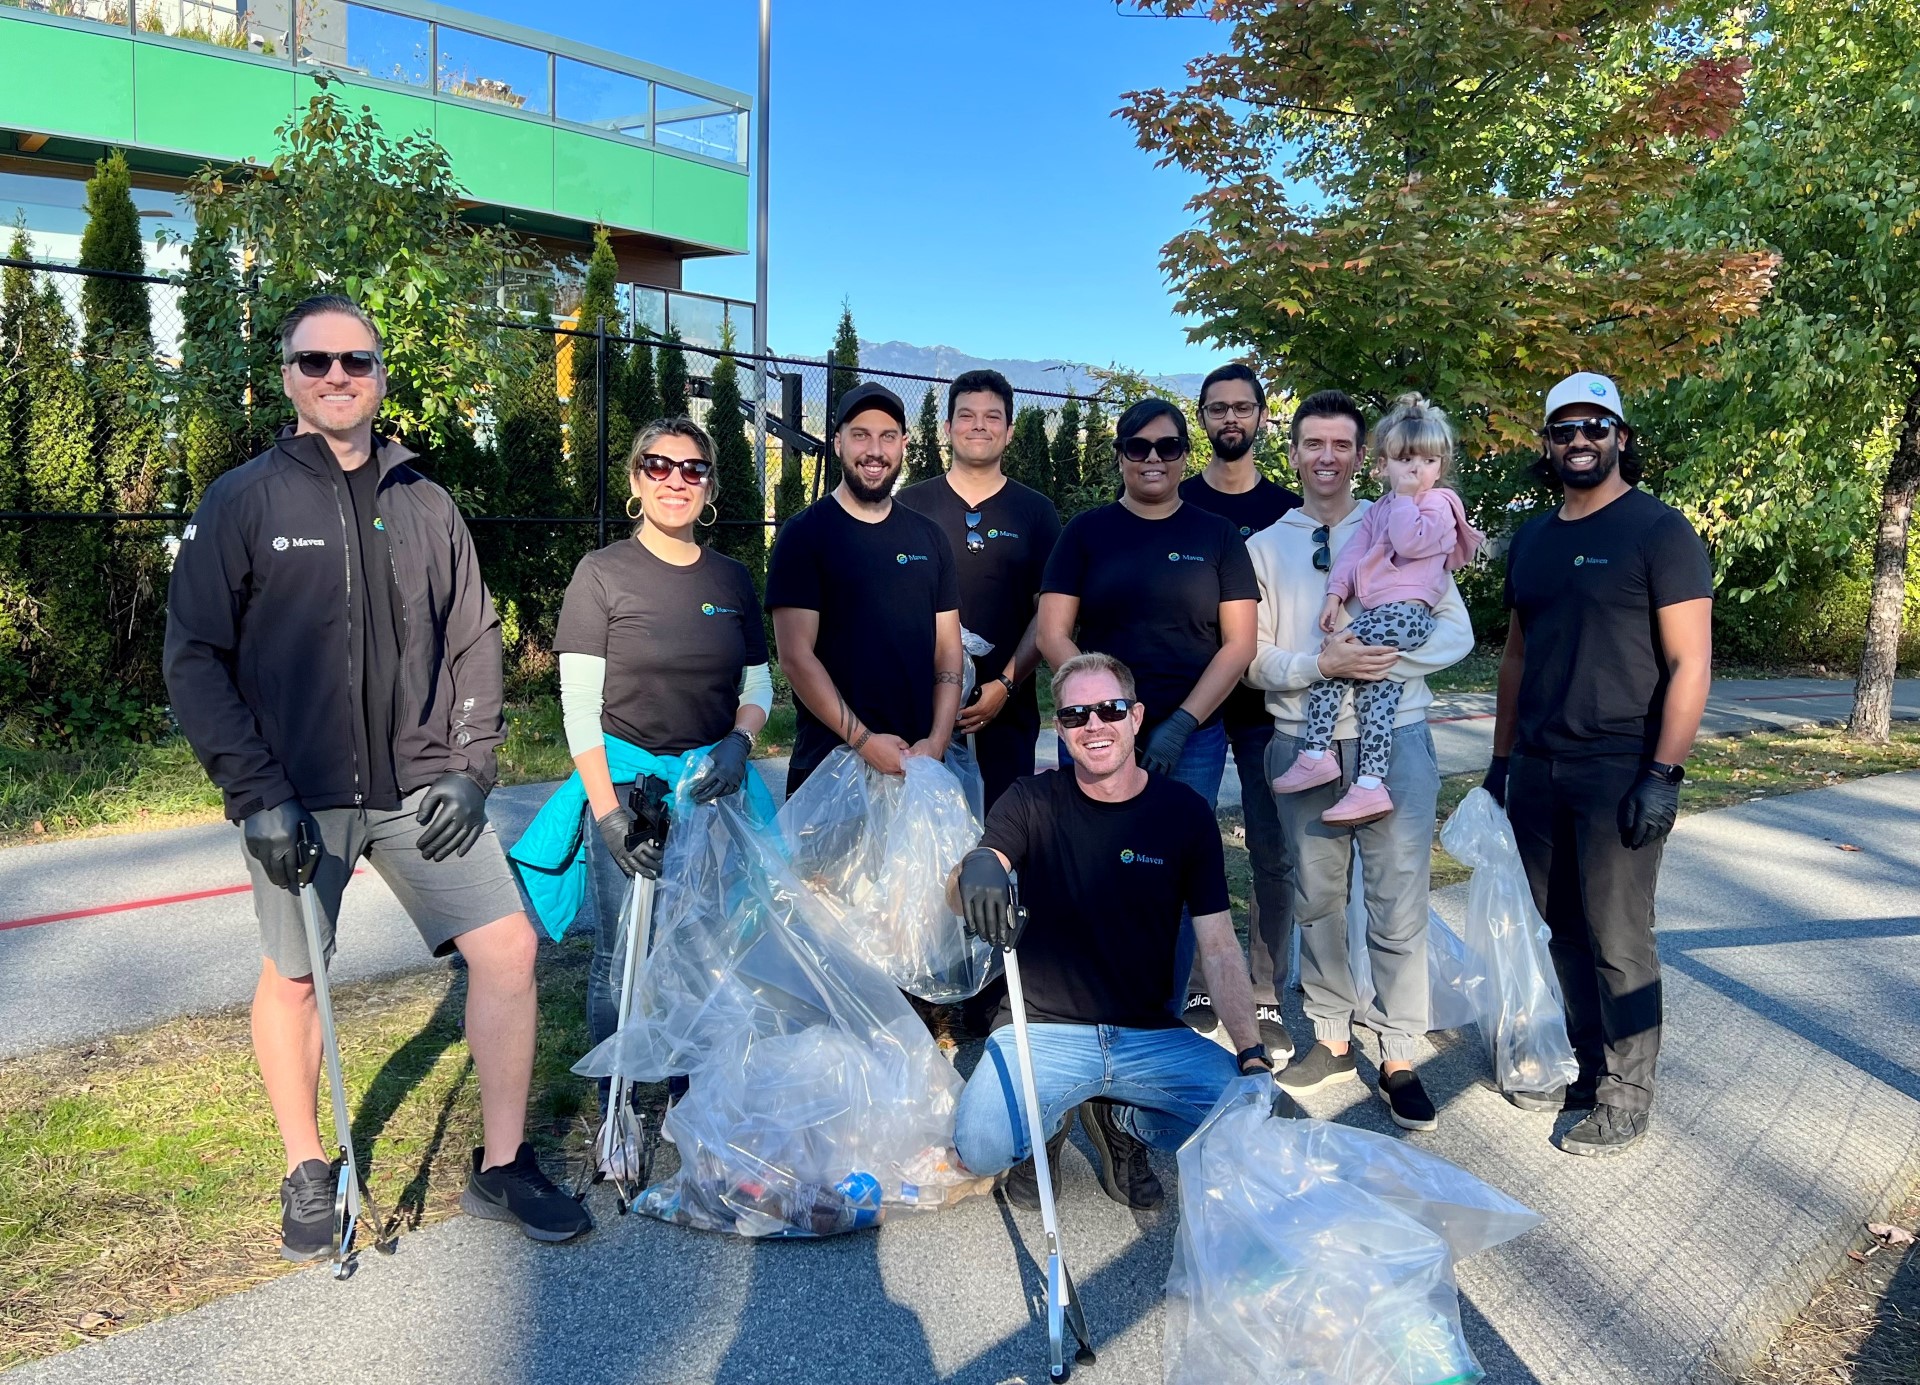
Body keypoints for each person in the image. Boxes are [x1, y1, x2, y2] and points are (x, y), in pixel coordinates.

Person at [163, 294, 590, 1258]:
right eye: (315, 362)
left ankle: (505, 1162)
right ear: (288, 377)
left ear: (381, 374)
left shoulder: (427, 503)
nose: (336, 377)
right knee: (296, 976)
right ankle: (309, 1168)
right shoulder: (245, 499)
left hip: (421, 790)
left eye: (354, 360)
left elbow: (477, 636)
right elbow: (192, 656)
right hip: (294, 794)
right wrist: (255, 792)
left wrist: (474, 770)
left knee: (510, 950)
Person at [506, 417, 775, 1107]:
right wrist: (607, 814)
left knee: (697, 949)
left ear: (710, 486)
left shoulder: (732, 579)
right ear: (636, 478)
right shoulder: (602, 575)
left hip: (710, 789)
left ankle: (689, 1094)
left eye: (692, 469)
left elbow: (757, 688)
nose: (675, 480)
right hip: (629, 789)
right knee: (622, 952)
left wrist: (739, 744)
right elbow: (579, 710)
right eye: (658, 466)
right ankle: (616, 1103)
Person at [948, 653, 1274, 1211]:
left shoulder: (1185, 813)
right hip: (1042, 1030)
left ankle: (1122, 1115)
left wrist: (1250, 1051)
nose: (1094, 725)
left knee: (1254, 1118)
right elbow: (975, 873)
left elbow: (1218, 946)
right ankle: (1045, 1122)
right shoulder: (1031, 799)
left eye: (1109, 710)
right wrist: (973, 873)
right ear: (1061, 728)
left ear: (1137, 717)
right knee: (978, 1149)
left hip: (1148, 1032)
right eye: (1076, 715)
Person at [1487, 371, 1713, 1156]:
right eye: (1564, 429)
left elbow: (1691, 663)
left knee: (1620, 936)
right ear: (1546, 444)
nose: (1579, 440)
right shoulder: (1533, 540)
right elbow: (1515, 657)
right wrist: (1499, 761)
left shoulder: (1660, 532)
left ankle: (1629, 1091)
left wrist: (1665, 773)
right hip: (1540, 767)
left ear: (1621, 436)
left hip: (1621, 764)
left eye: (1595, 426)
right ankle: (1590, 1069)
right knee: (1565, 933)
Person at [1245, 390, 1473, 1132]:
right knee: (1315, 898)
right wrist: (1321, 660)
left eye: (1341, 444)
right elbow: (1251, 655)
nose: (1327, 456)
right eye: (1314, 443)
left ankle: (1399, 1048)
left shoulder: (1412, 523)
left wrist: (1382, 660)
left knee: (1396, 899)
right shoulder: (1265, 546)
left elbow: (1454, 632)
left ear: (1360, 455)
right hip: (1302, 740)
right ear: (1296, 452)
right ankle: (1334, 1035)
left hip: (1396, 738)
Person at [1036, 397, 1259, 1010]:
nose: (1153, 459)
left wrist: (1181, 723)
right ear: (1120, 457)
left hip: (1191, 740)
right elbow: (1052, 632)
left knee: (1174, 872)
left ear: (1186, 454)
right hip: (1095, 732)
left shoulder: (1215, 536)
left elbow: (1239, 644)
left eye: (1167, 447)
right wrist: (1104, 711)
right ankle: (1084, 1011)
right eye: (1138, 447)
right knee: (1088, 865)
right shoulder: (1086, 533)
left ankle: (1161, 1015)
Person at [1274, 393, 1484, 824]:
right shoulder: (1384, 508)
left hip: (1407, 613)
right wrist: (1335, 593)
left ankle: (1316, 752)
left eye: (1427, 461)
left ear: (1441, 467)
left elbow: (1411, 542)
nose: (1414, 470)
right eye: (1404, 459)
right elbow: (1354, 552)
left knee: (1337, 657)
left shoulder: (1439, 505)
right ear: (1383, 463)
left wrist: (1406, 499)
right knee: (1376, 695)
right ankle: (1370, 785)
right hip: (1386, 613)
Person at [1175, 362, 1302, 1053]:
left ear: (1260, 418)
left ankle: (1264, 989)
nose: (1230, 419)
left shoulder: (1287, 510)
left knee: (1273, 852)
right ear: (1202, 418)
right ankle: (1195, 978)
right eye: (1217, 408)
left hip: (1266, 706)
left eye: (1242, 408)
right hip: (1192, 705)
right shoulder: (1180, 501)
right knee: (1187, 846)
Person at [767, 381, 964, 796]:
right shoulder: (805, 536)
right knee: (825, 867)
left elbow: (948, 650)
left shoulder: (929, 537)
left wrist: (938, 741)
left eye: (887, 436)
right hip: (828, 772)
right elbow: (796, 658)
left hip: (918, 768)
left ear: (903, 445)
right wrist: (864, 742)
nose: (875, 450)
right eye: (861, 435)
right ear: (837, 442)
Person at [898, 368, 1062, 812]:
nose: (978, 425)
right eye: (966, 415)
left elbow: (1049, 615)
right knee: (922, 845)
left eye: (992, 417)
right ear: (946, 428)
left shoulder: (1036, 512)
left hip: (1007, 709)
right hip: (917, 710)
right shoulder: (909, 507)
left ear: (1009, 432)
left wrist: (1005, 685)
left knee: (1003, 839)